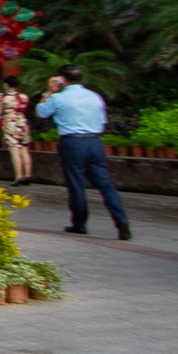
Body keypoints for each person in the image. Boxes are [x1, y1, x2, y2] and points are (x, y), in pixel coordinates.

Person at [38, 65, 131, 240]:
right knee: (106, 184)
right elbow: (102, 121)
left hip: (72, 142)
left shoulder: (58, 98)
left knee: (76, 184)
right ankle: (122, 222)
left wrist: (48, 92)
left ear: (62, 79)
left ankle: (79, 224)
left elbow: (41, 112)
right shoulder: (95, 97)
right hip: (95, 141)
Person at [0, 75, 34, 187]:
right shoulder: (24, 97)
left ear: (7, 85)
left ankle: (18, 176)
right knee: (24, 150)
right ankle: (28, 175)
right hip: (22, 123)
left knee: (14, 150)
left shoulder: (2, 97)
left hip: (10, 123)